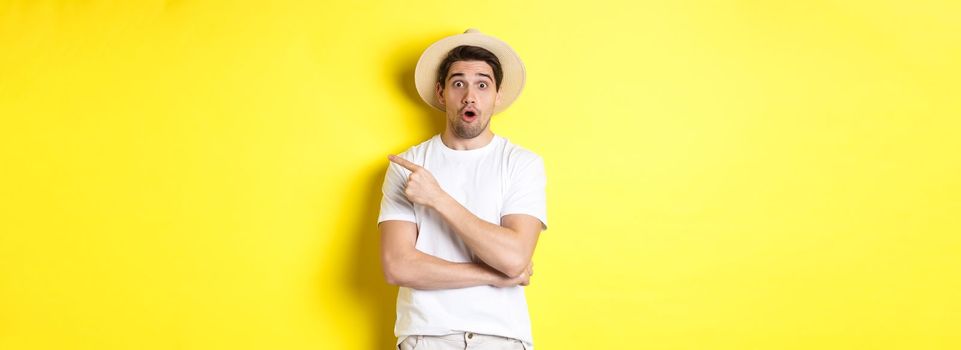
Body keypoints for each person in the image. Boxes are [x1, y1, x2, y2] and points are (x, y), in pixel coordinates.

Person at [377, 29, 547, 350]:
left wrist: (438, 199)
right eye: (459, 83)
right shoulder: (408, 165)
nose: (470, 95)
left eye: (482, 84)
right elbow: (397, 265)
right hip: (427, 338)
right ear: (441, 93)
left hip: (502, 339)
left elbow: (513, 258)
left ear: (497, 96)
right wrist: (495, 276)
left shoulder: (522, 163)